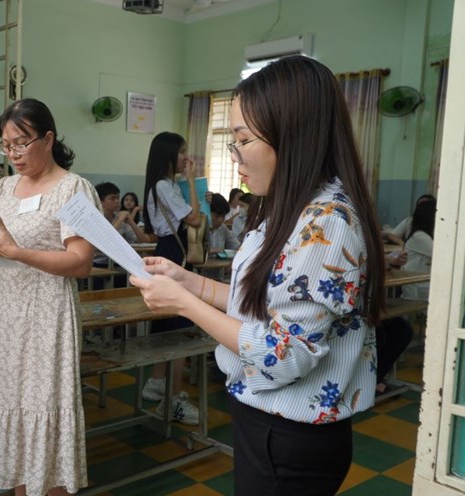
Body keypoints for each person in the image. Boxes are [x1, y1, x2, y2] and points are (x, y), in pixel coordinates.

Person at [130, 56, 385, 495]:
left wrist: (184, 305)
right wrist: (191, 282)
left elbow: (283, 352)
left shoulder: (325, 223)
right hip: (269, 418)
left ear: (292, 135)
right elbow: (268, 300)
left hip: (289, 433)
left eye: (242, 140)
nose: (236, 155)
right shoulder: (295, 208)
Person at [0, 98, 98, 496]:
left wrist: (14, 251)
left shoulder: (73, 188)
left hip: (48, 314)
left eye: (21, 143)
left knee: (45, 413)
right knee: (15, 413)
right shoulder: (3, 187)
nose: (13, 153)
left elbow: (81, 262)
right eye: (6, 145)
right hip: (11, 311)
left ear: (48, 138)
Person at [139, 131, 203, 426]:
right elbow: (195, 219)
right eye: (182, 152)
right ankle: (173, 398)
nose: (186, 158)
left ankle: (156, 383)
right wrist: (192, 180)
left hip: (166, 250)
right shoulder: (166, 186)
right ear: (167, 155)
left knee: (166, 323)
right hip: (172, 252)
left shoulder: (161, 186)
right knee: (179, 325)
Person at [92, 182, 148, 289]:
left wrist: (131, 222)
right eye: (112, 198)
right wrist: (119, 220)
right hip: (99, 265)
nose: (117, 201)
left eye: (118, 198)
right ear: (101, 201)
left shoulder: (121, 218)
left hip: (119, 265)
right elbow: (102, 239)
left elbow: (142, 241)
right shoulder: (94, 218)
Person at [400, 199, 435, 301]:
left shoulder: (425, 235)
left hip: (423, 284)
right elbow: (443, 255)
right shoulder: (419, 236)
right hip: (417, 287)